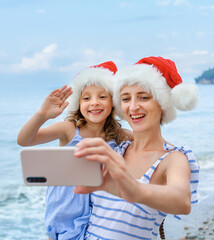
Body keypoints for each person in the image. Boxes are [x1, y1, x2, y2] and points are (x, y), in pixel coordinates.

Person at [74, 56, 200, 240]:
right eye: (125, 99)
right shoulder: (115, 149)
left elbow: (181, 200)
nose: (133, 107)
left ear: (162, 104)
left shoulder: (173, 158)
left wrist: (135, 189)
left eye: (143, 97)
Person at [17, 61, 131, 240]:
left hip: (100, 213)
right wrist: (42, 115)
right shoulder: (68, 130)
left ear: (113, 102)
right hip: (65, 211)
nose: (94, 103)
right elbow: (24, 140)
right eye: (86, 98)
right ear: (78, 103)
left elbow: (148, 144)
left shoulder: (119, 135)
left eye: (102, 97)